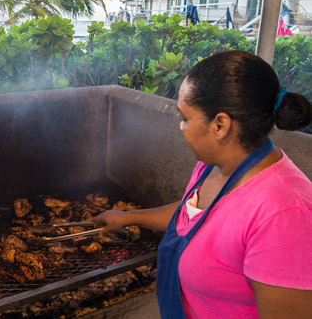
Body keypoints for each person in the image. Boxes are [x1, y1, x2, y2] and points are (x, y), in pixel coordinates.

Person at [91, 50, 312, 318]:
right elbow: (191, 215)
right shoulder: (214, 165)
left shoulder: (284, 216)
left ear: (220, 125)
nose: (181, 127)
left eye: (185, 117)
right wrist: (128, 217)